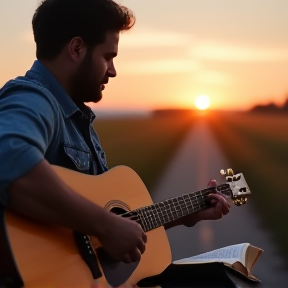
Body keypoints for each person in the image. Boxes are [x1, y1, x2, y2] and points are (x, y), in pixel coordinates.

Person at [0, 0, 229, 277]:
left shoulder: (76, 117)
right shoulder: (34, 98)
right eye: (108, 56)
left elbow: (103, 232)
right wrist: (106, 226)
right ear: (76, 49)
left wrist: (187, 214)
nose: (112, 70)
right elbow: (8, 158)